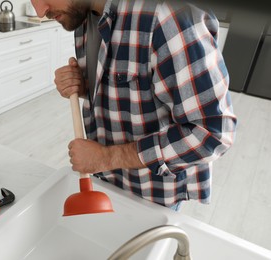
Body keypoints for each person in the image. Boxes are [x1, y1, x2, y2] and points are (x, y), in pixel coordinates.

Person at [30, 0, 237, 209]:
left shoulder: (168, 16)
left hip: (151, 195)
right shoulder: (83, 16)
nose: (39, 11)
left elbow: (212, 134)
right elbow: (127, 92)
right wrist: (83, 87)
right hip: (107, 182)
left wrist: (107, 158)